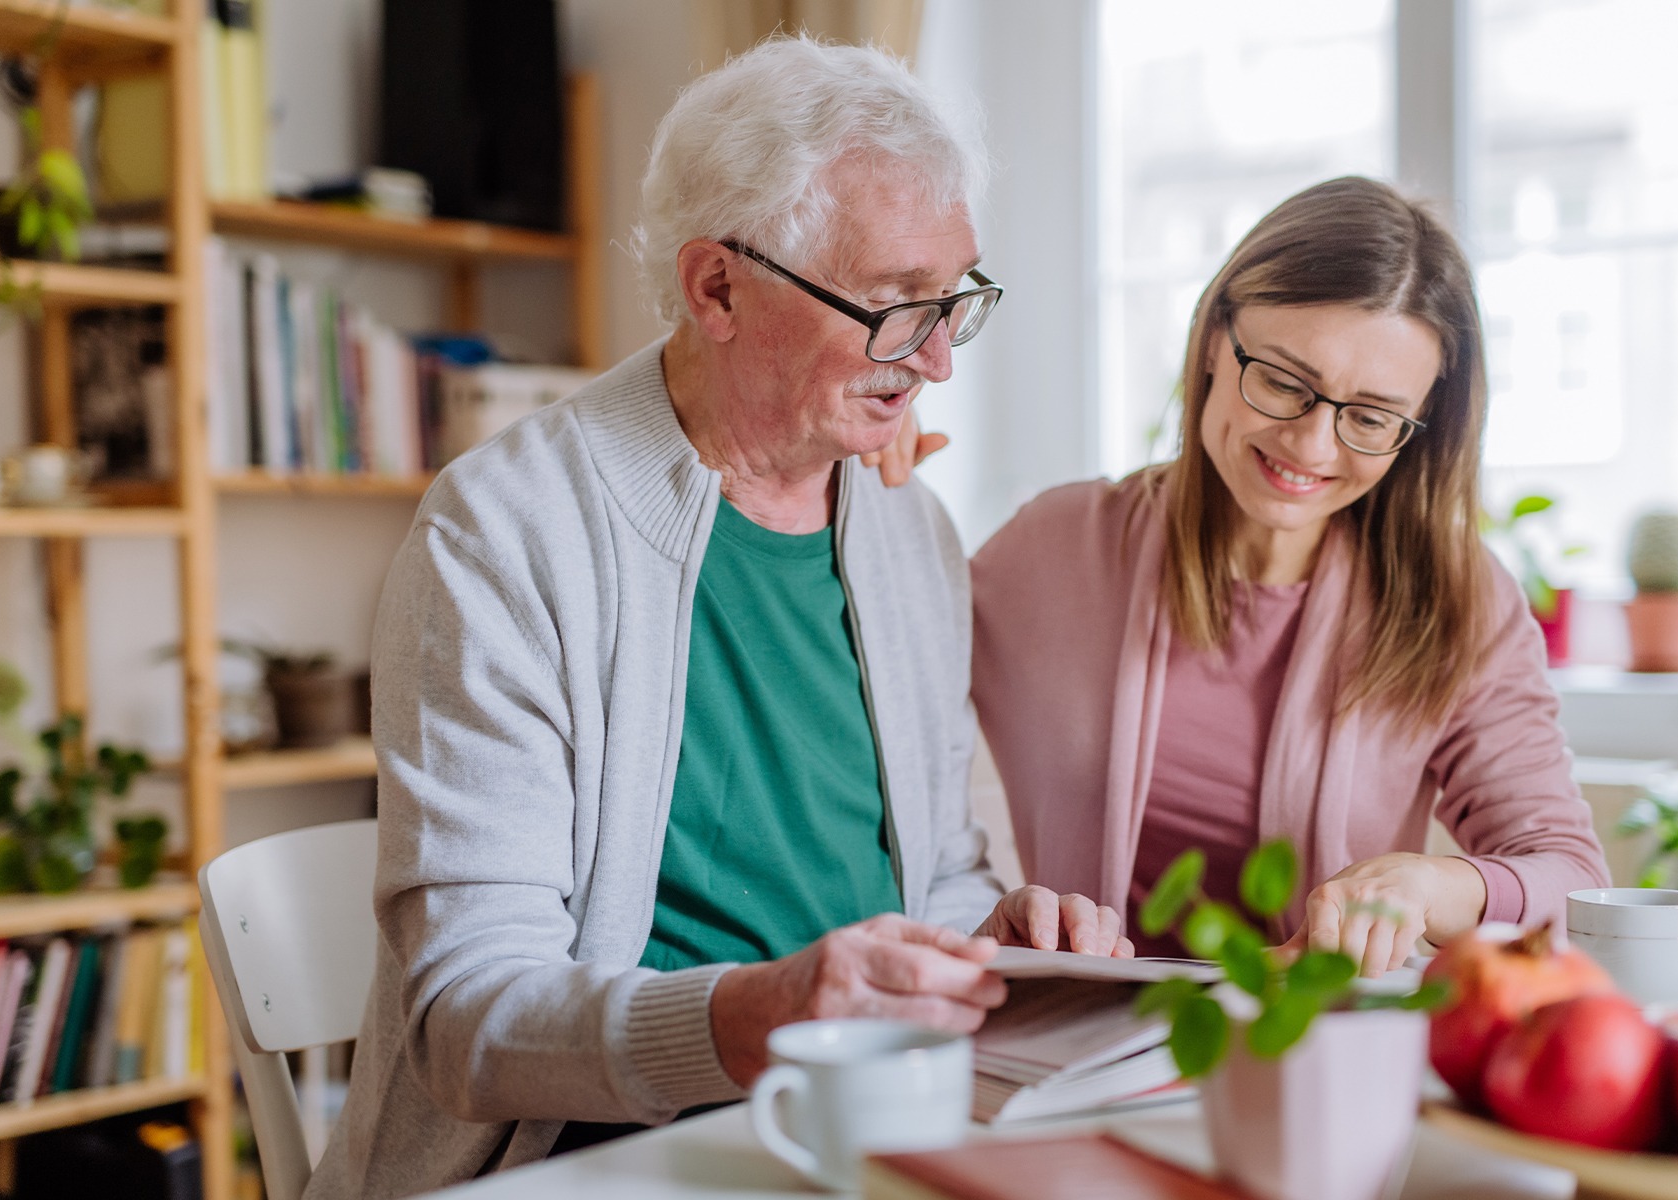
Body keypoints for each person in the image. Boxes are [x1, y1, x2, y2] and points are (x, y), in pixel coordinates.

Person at [306, 37, 1128, 1199]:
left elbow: (930, 876)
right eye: (894, 307)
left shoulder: (910, 537)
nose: (938, 359)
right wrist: (757, 1018)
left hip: (848, 1135)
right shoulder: (502, 535)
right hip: (591, 1161)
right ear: (718, 289)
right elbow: (469, 1024)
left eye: (955, 300)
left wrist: (990, 940)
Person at [969, 177, 1609, 980]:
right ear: (1213, 339)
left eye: (1370, 417)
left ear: (1418, 430)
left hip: (1314, 1050)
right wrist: (862, 481)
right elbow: (868, 700)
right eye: (1281, 380)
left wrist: (1431, 883)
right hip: (1071, 1043)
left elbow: (1574, 880)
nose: (1311, 446)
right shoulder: (1054, 549)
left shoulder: (1459, 601)